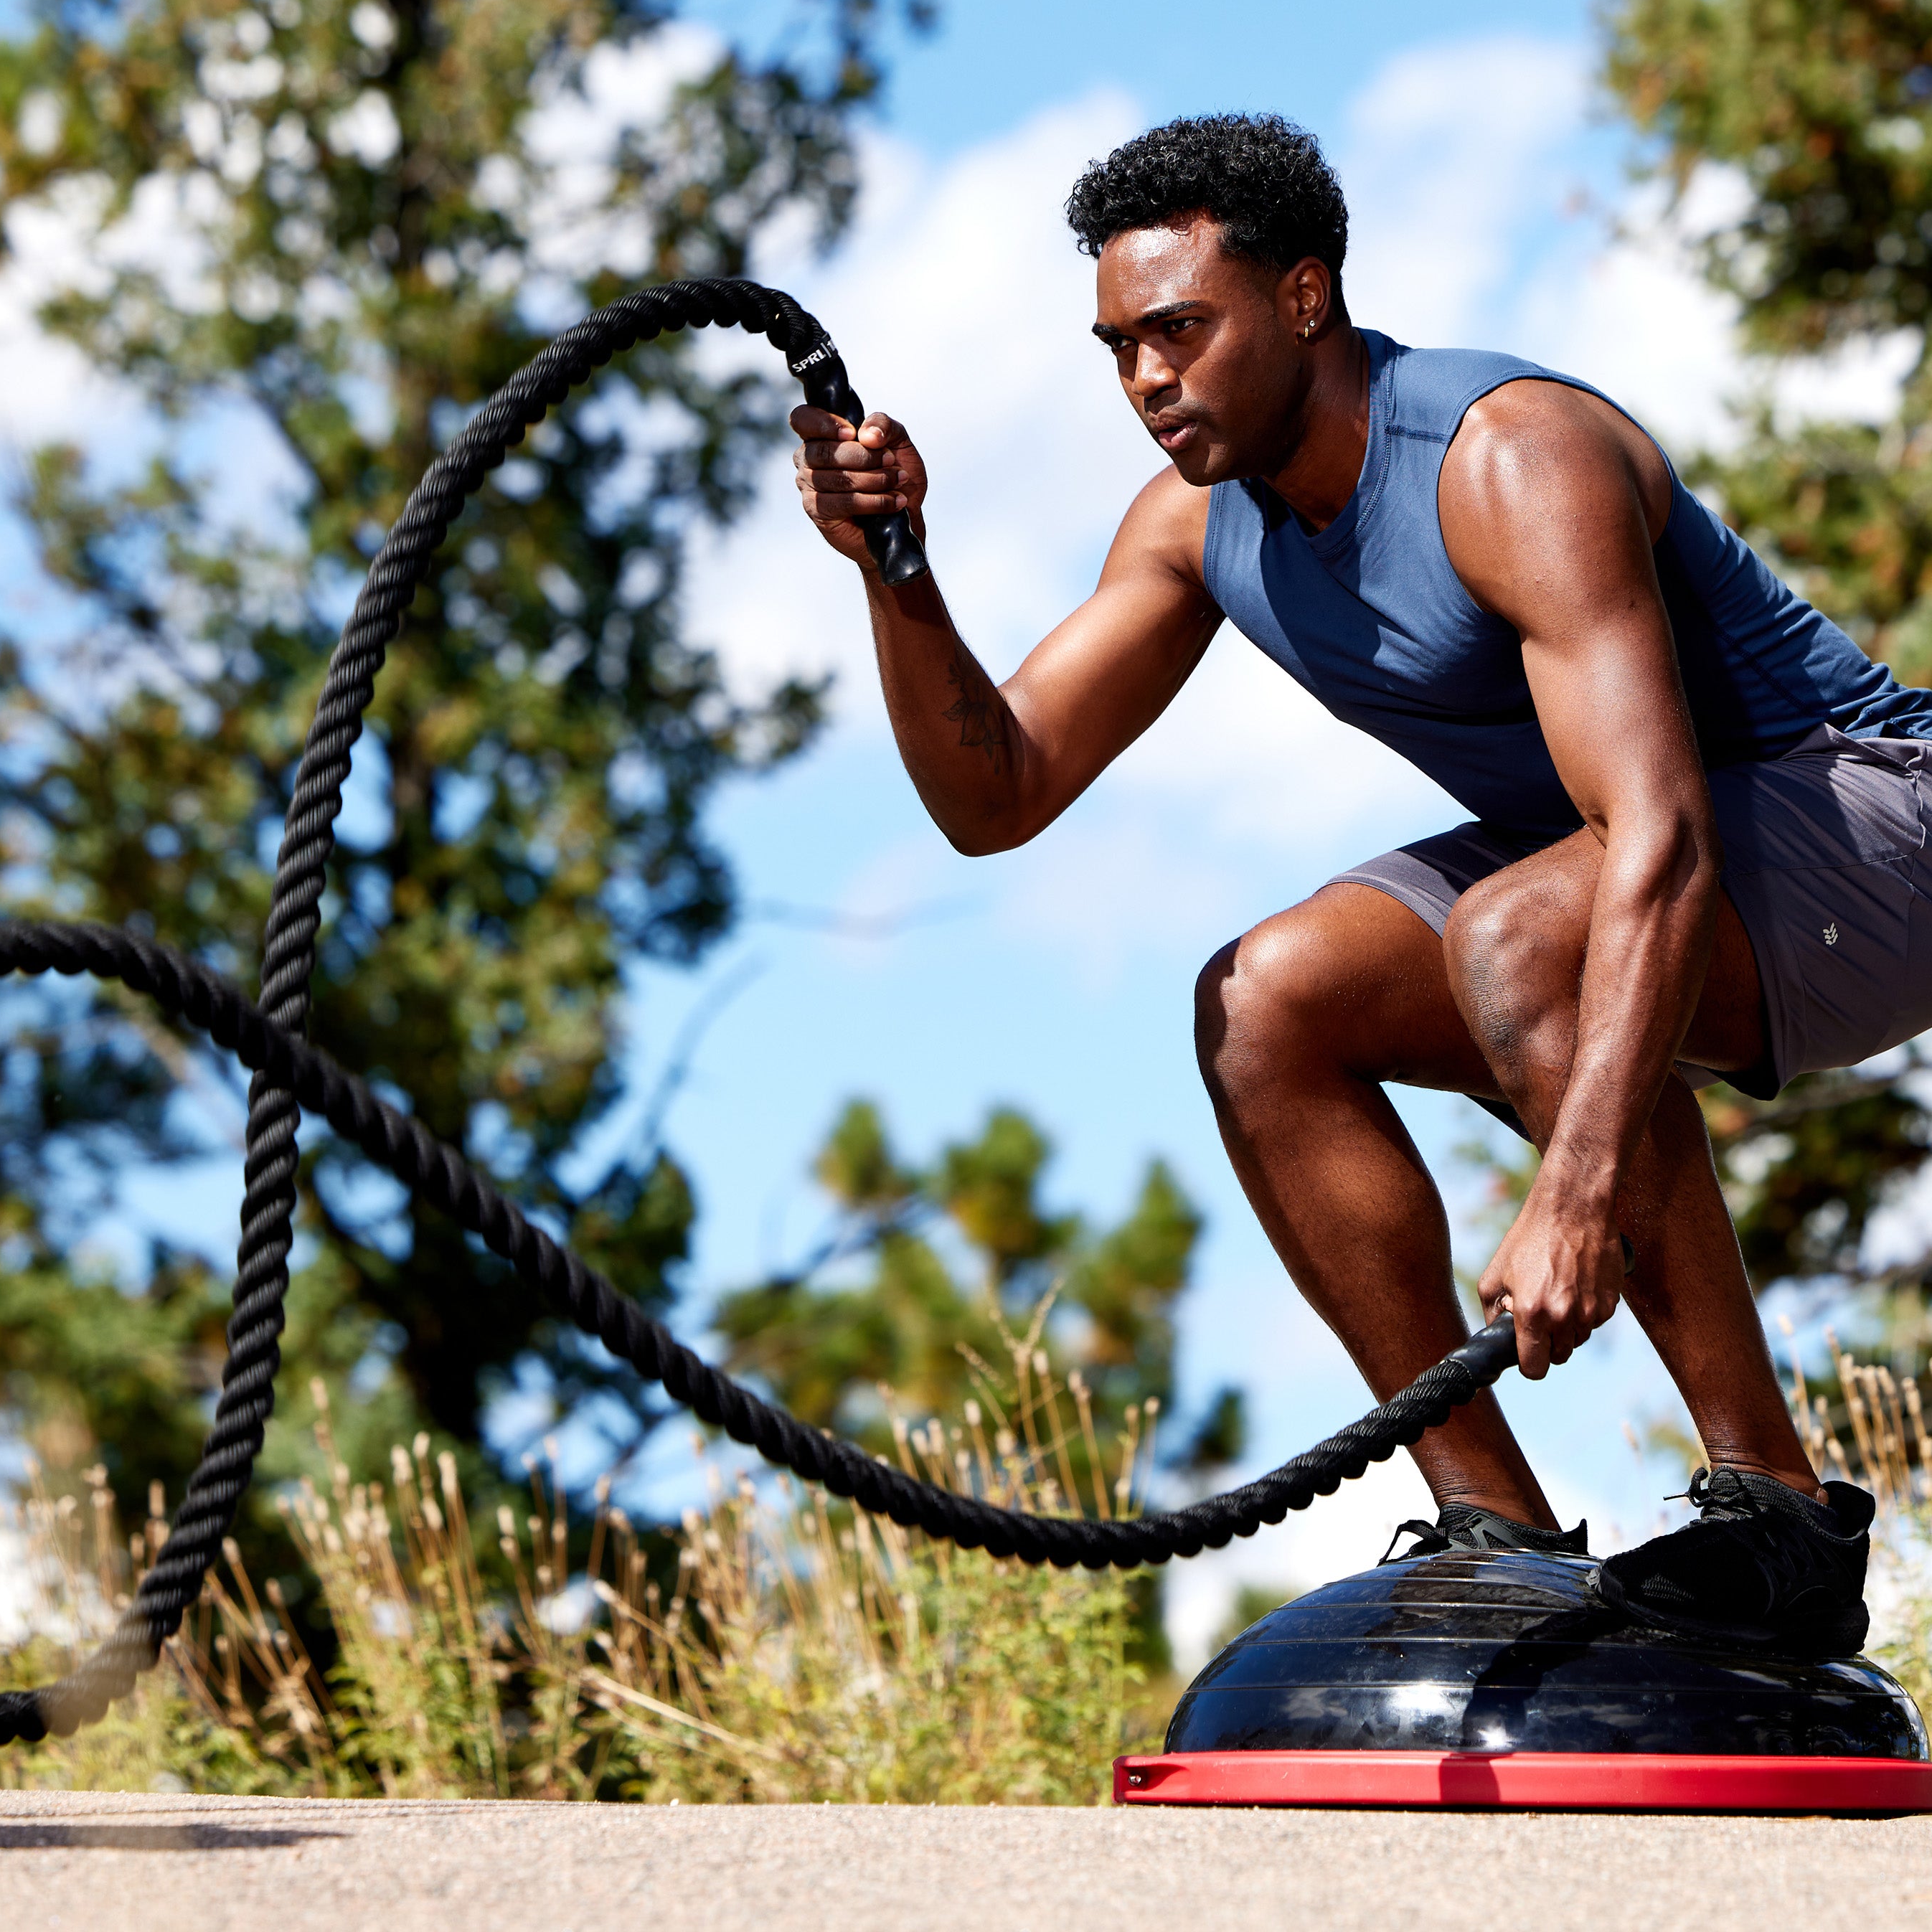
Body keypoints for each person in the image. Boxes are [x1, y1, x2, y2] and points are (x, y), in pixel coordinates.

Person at [787, 113, 1922, 1657]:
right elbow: (999, 793)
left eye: (1180, 331)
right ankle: (1497, 1537)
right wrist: (896, 567)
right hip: (1621, 868)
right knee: (1266, 1003)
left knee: (1518, 941)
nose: (1144, 382)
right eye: (1118, 347)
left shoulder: (1507, 457)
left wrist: (1574, 1193)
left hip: (1866, 818)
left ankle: (1781, 1515)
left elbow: (1657, 840)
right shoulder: (1196, 526)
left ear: (1305, 298)